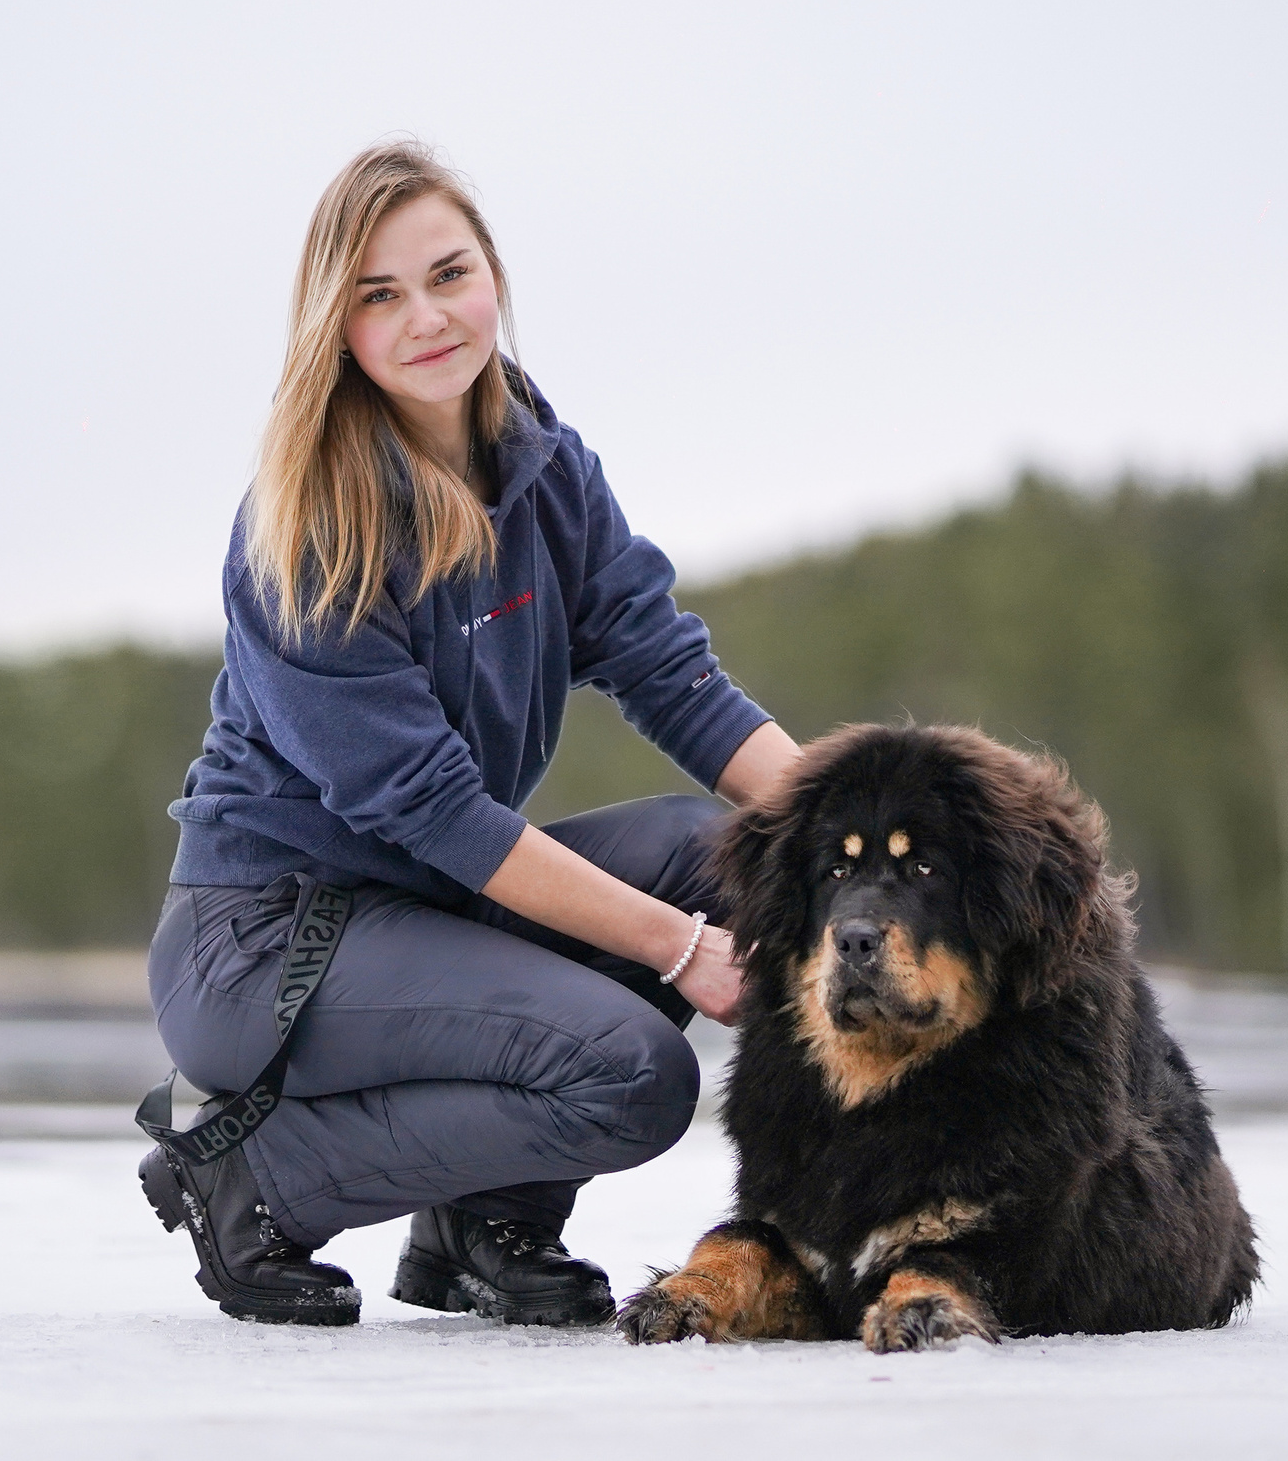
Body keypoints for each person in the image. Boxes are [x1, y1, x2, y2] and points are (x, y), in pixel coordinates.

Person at [141, 140, 803, 1328]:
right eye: (379, 296)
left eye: (448, 274)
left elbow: (667, 670)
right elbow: (439, 812)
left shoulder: (541, 463)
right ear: (336, 330)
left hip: (425, 907)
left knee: (734, 857)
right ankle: (257, 1180)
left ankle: (481, 1225)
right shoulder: (308, 530)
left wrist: (865, 829)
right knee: (630, 1075)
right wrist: (679, 951)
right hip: (265, 943)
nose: (427, 318)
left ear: (492, 270)